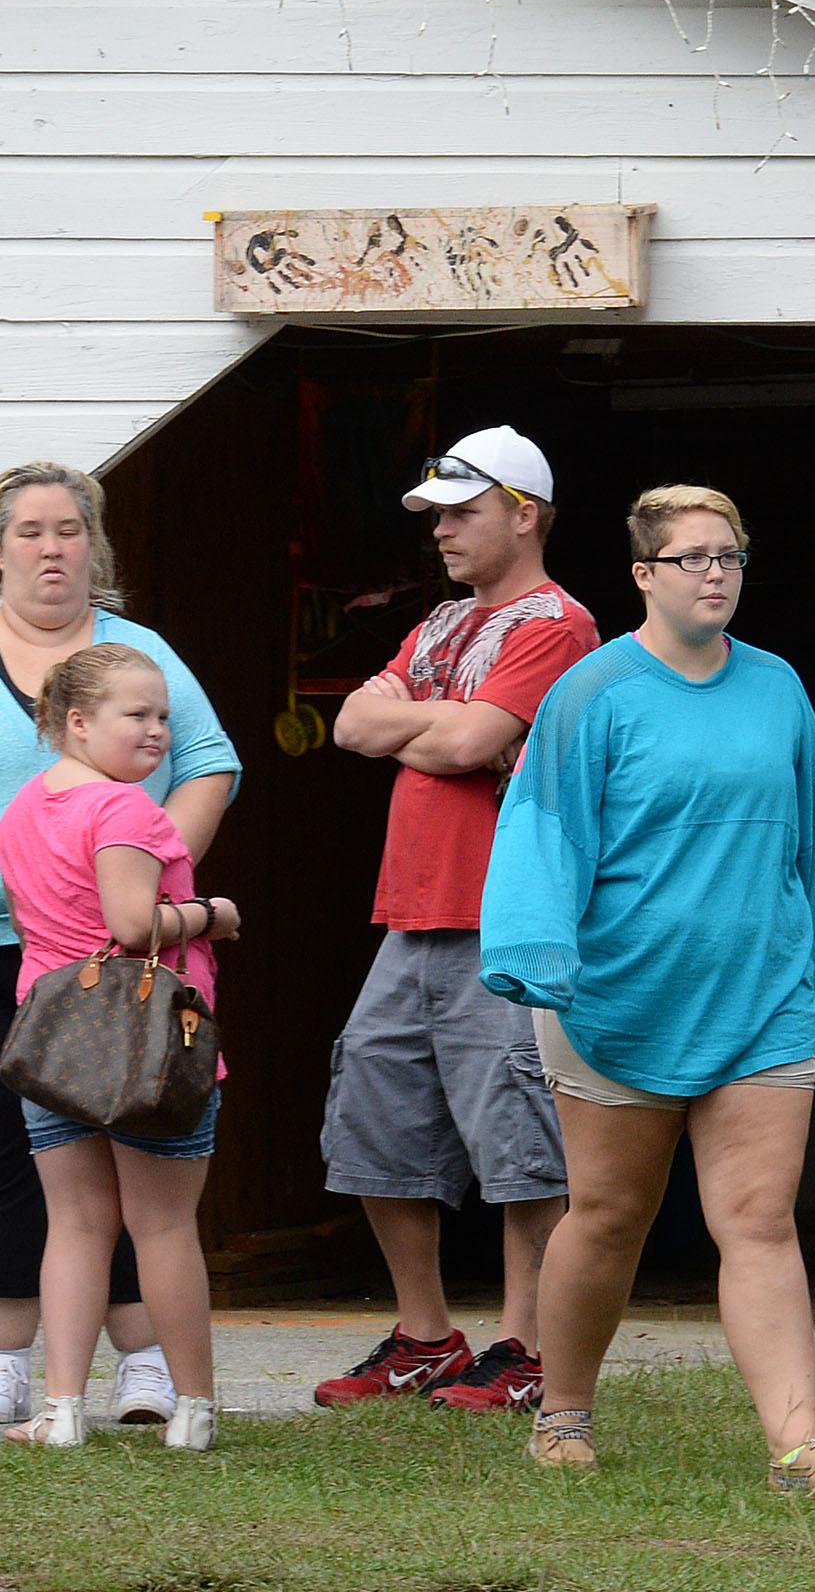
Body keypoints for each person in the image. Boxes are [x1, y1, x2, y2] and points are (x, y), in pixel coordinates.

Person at [480, 485, 815, 1492]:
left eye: (731, 556)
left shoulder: (779, 688)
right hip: (615, 998)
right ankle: (564, 1409)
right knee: (610, 1213)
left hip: (762, 996)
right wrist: (538, 954)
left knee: (758, 1215)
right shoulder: (593, 692)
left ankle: (802, 1443)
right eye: (694, 556)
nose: (716, 572)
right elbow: (540, 828)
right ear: (644, 574)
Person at [0, 461, 239, 1429]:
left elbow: (210, 763)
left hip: (130, 963)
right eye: (28, 530)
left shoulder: (141, 652)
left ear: (94, 545)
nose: (50, 548)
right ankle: (3, 1362)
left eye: (69, 529)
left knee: (135, 1156)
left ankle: (144, 1363)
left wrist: (155, 869)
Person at [318, 427, 594, 1413]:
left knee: (520, 1139)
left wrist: (426, 719)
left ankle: (528, 1344)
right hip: (411, 915)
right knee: (374, 1117)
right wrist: (441, 724)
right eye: (434, 513)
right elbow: (351, 724)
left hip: (504, 920)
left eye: (462, 511)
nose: (440, 529)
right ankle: (426, 1334)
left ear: (524, 512)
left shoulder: (558, 624)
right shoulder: (438, 620)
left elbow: (476, 735)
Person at [0, 643, 239, 1449]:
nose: (158, 731)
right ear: (77, 722)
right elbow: (132, 928)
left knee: (76, 1225)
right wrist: (212, 914)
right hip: (147, 1047)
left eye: (163, 715)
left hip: (54, 1045)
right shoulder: (127, 811)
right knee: (163, 1228)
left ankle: (60, 1410)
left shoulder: (25, 808)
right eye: (137, 715)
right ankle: (194, 1410)